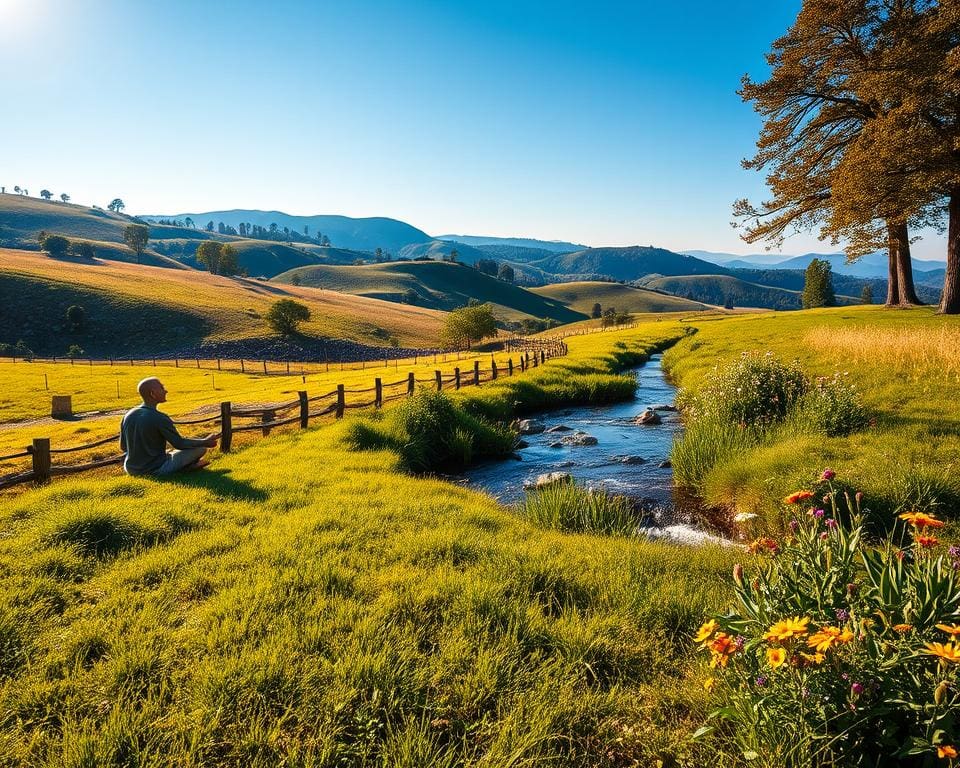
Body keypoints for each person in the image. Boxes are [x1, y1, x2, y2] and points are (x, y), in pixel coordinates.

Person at [119, 377, 218, 476]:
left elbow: (123, 447)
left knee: (171, 452)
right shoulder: (159, 417)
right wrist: (205, 441)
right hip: (155, 469)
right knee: (200, 448)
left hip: (131, 469)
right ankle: (186, 467)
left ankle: (188, 466)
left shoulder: (128, 414)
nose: (166, 391)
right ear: (153, 393)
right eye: (162, 388)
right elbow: (180, 444)